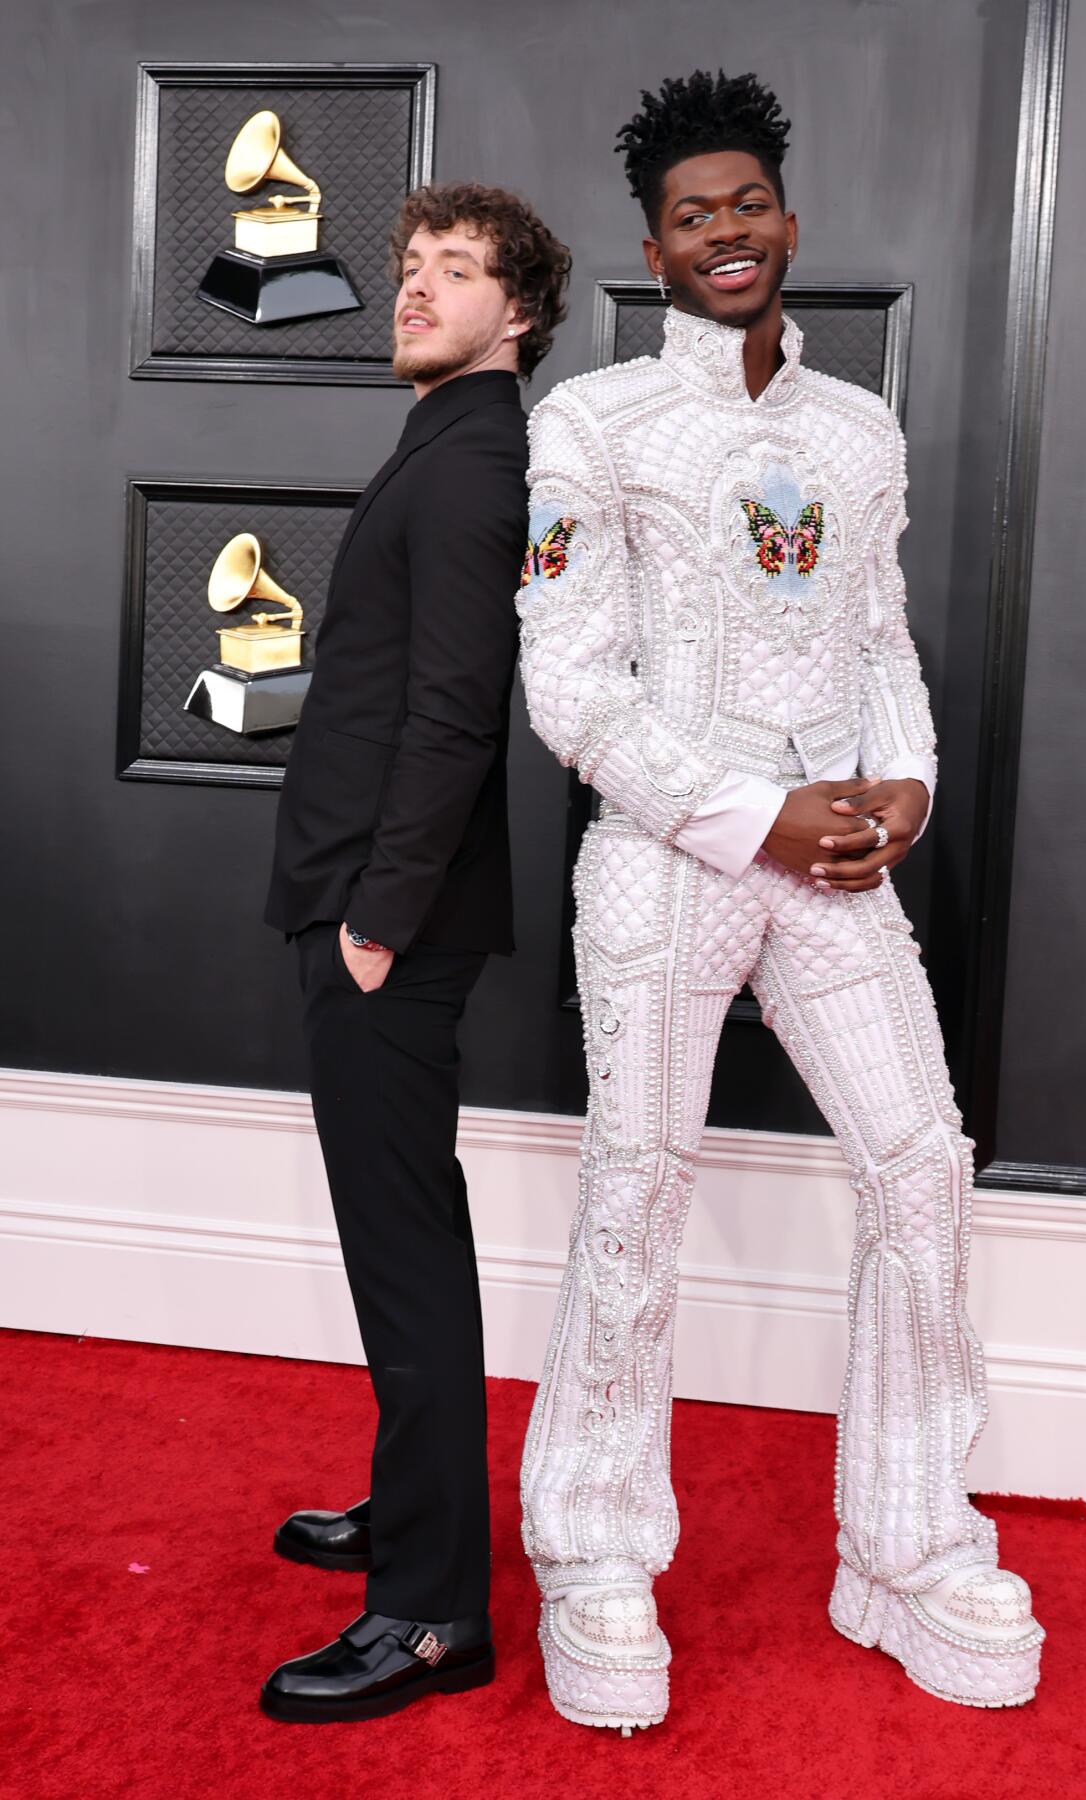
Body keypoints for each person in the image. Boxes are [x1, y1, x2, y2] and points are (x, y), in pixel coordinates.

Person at [515, 71, 1043, 1733]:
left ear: (786, 222)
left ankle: (906, 1541)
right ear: (653, 246)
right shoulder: (592, 428)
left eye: (747, 205)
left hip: (835, 863)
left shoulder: (859, 429)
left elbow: (879, 637)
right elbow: (570, 689)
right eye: (692, 215)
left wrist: (906, 788)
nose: (725, 233)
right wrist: (754, 811)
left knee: (921, 1164)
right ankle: (596, 1554)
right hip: (671, 860)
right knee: (638, 1189)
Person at [260, 181, 569, 1724]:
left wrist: (378, 916)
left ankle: (435, 1614)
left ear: (518, 312)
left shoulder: (474, 465)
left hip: (390, 919)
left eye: (454, 271)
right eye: (405, 266)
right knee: (406, 1240)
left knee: (406, 1255)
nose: (412, 288)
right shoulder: (448, 440)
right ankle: (416, 1519)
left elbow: (456, 713)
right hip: (371, 899)